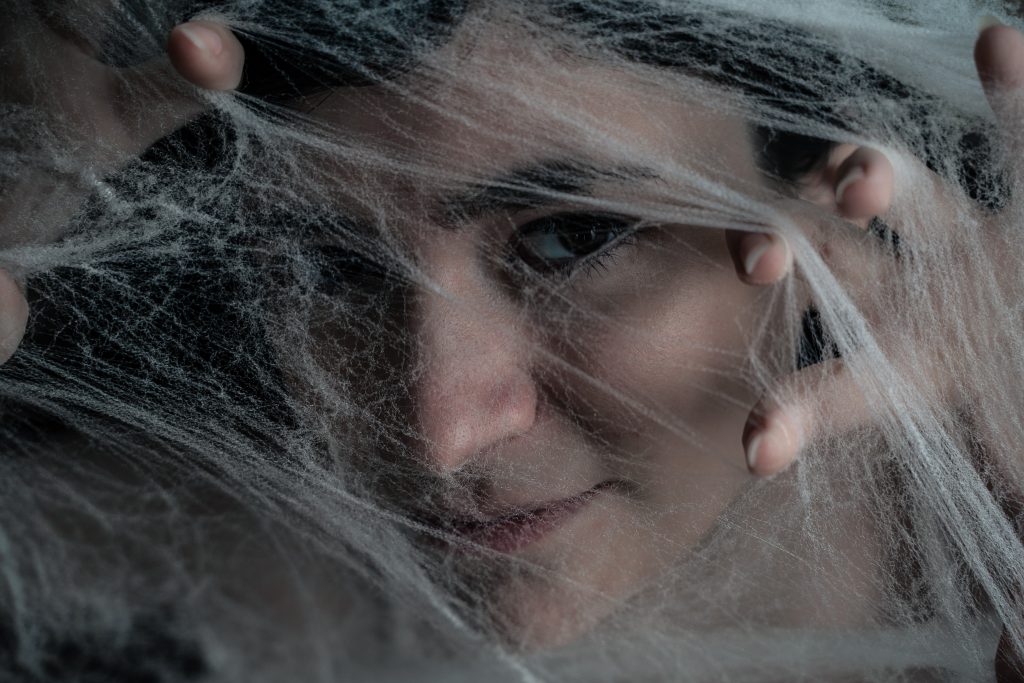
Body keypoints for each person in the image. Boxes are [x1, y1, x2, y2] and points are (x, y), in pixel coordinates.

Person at [3, 1, 1024, 680]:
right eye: (332, 268)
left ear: (832, 185)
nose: (438, 431)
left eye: (572, 239)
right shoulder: (207, 576)